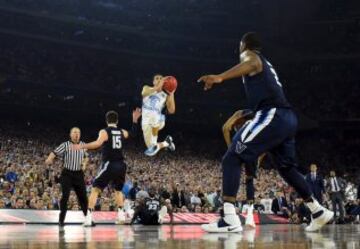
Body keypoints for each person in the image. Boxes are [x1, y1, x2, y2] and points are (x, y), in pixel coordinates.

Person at [198, 32, 333, 233]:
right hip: (286, 118)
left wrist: (220, 77)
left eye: (239, 46)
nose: (239, 51)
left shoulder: (250, 55)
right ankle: (318, 211)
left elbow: (251, 63)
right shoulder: (267, 65)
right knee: (287, 169)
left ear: (244, 45)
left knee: (232, 157)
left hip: (273, 115)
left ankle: (229, 219)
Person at [73, 108, 141, 226]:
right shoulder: (121, 131)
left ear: (106, 120)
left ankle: (88, 218)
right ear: (117, 121)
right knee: (118, 190)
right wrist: (135, 120)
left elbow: (97, 144)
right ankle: (121, 216)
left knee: (95, 189)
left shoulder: (104, 131)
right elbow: (133, 134)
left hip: (110, 163)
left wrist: (83, 146)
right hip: (121, 165)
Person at [45, 127, 89, 231]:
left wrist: (84, 163)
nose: (76, 134)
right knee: (65, 196)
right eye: (74, 132)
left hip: (79, 174)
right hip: (67, 173)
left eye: (78, 132)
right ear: (70, 134)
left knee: (83, 197)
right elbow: (54, 152)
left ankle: (88, 218)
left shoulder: (83, 145)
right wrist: (49, 158)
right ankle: (61, 220)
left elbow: (86, 156)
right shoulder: (65, 145)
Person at [141, 74, 176, 156]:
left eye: (161, 78)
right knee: (151, 147)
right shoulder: (146, 88)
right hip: (146, 122)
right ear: (153, 82)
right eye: (157, 78)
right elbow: (144, 93)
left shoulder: (165, 95)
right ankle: (167, 143)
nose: (160, 79)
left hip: (159, 120)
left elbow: (171, 111)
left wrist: (171, 93)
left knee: (154, 116)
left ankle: (154, 141)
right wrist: (158, 86)